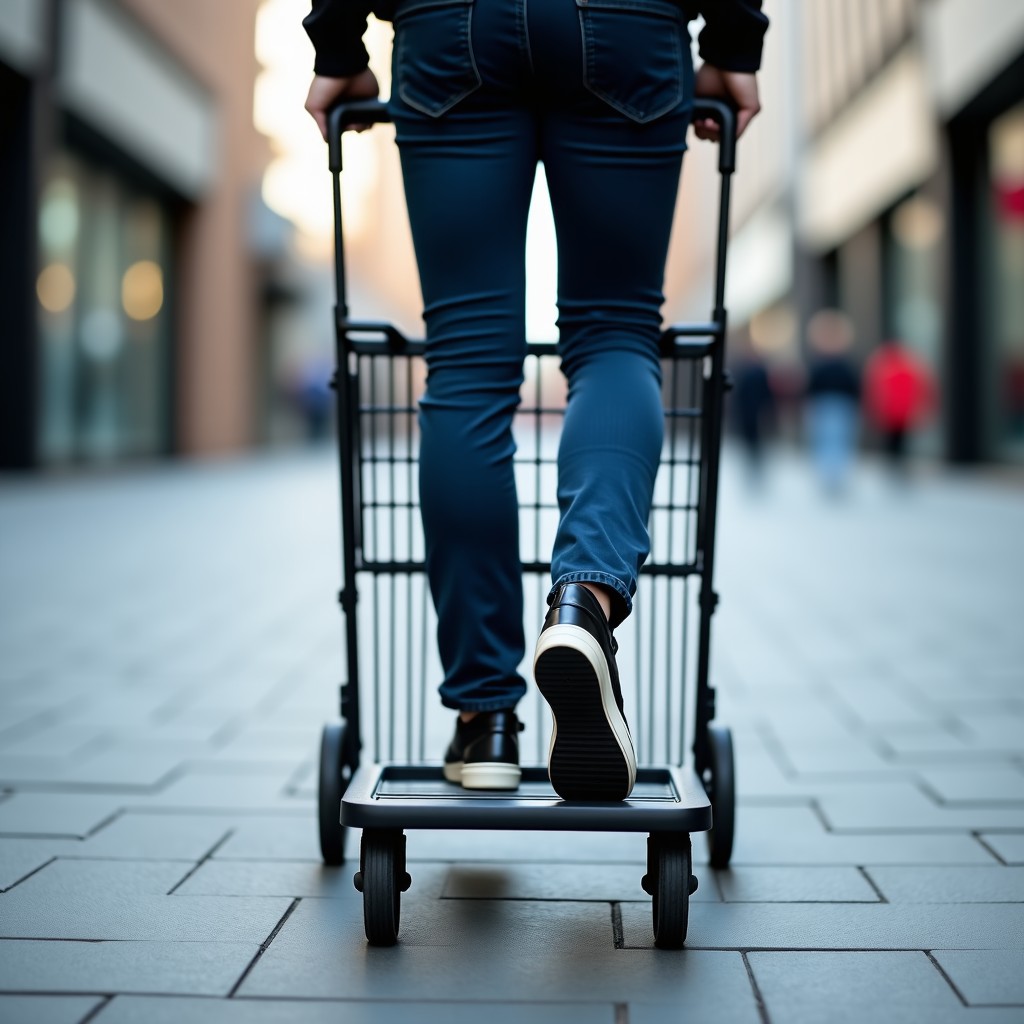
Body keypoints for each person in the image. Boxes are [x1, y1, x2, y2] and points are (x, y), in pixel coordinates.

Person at [303, 0, 768, 800]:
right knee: (617, 335)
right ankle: (583, 602)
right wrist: (732, 38)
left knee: (466, 366)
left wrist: (338, 42)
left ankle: (485, 719)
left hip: (449, 26)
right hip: (628, 24)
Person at [803, 309, 861, 495]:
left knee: (834, 441)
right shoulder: (833, 364)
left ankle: (833, 476)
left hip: (836, 406)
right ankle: (831, 476)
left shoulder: (830, 364)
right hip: (831, 406)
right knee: (831, 441)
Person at [863, 337, 936, 478]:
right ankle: (898, 464)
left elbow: (876, 391)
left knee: (893, 439)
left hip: (893, 412)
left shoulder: (885, 367)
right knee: (900, 439)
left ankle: (894, 464)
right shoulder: (910, 367)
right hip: (901, 412)